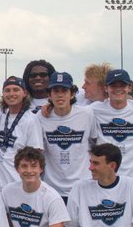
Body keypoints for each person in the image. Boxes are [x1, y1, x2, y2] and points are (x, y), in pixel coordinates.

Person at [89, 68, 133, 188]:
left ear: (129, 88)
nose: (118, 89)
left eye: (122, 85)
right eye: (113, 85)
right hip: (105, 178)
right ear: (106, 88)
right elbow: (71, 112)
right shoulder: (95, 109)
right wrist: (49, 105)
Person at [37, 72, 93, 200]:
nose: (60, 95)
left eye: (64, 90)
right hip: (52, 189)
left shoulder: (87, 114)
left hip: (83, 186)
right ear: (49, 94)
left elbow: (95, 142)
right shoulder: (40, 117)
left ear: (72, 94)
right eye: (55, 91)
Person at [0, 76, 44, 190]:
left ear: (25, 93)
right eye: (7, 90)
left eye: (16, 90)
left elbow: (36, 155)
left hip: (21, 185)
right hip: (0, 186)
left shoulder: (31, 120)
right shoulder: (2, 115)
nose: (11, 94)